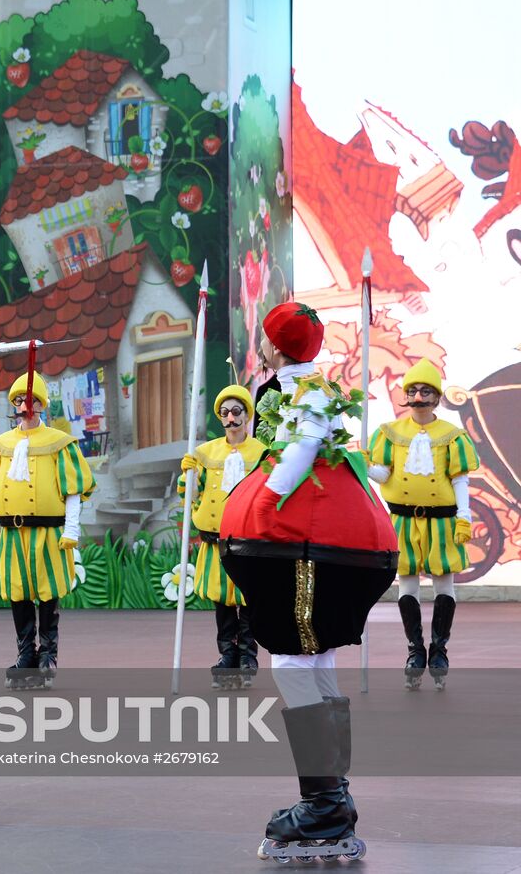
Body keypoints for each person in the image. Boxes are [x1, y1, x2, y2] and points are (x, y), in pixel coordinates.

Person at [219, 301, 397, 864]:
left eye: (265, 339)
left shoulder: (305, 392)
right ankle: (332, 798)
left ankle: (322, 804)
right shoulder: (301, 385)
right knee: (312, 659)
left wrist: (269, 499)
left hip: (306, 540)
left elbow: (302, 444)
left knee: (292, 660)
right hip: (322, 539)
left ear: (273, 345)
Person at [0, 373, 96, 692]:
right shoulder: (1, 445)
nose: (25, 406)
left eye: (31, 400)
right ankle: (25, 655)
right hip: (13, 535)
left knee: (47, 593)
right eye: (19, 400)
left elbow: (73, 489)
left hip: (47, 533)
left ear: (41, 404)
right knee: (18, 593)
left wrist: (71, 529)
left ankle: (48, 654)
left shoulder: (59, 444)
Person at [366, 359, 479, 690]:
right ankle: (415, 651)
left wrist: (464, 517)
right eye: (413, 390)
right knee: (408, 585)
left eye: (425, 390)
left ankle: (439, 651)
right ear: (406, 396)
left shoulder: (452, 436)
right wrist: (360, 463)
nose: (418, 396)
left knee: (444, 584)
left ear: (437, 396)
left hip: (442, 522)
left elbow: (460, 480)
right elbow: (383, 474)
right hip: (402, 520)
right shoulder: (390, 433)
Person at [175, 385, 268, 689]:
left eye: (236, 411)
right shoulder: (205, 452)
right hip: (214, 540)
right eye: (225, 413)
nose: (231, 418)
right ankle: (227, 654)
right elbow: (191, 492)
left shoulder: (262, 453)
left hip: (248, 542)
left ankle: (247, 654)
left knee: (249, 598)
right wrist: (186, 475)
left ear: (246, 415)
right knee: (222, 601)